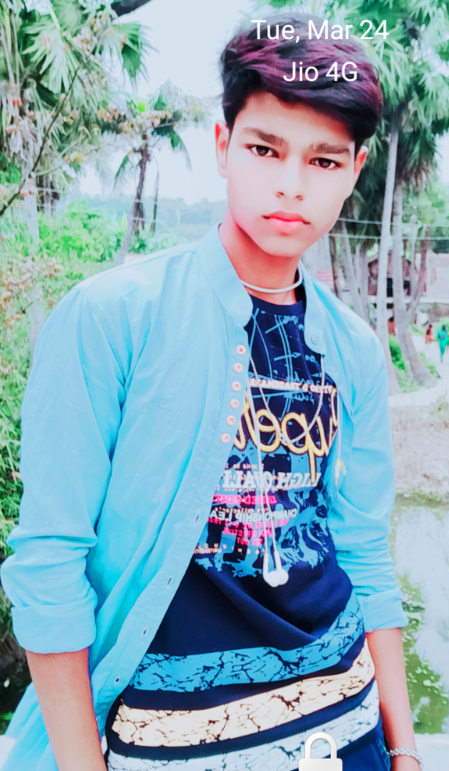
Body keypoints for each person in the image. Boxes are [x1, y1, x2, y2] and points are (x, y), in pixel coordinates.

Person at [0, 14, 423, 771]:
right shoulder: (112, 318)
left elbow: (362, 550)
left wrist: (405, 748)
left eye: (324, 161)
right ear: (224, 147)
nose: (291, 184)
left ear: (355, 169)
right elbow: (50, 561)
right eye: (265, 149)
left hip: (345, 722)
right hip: (168, 740)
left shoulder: (355, 349)